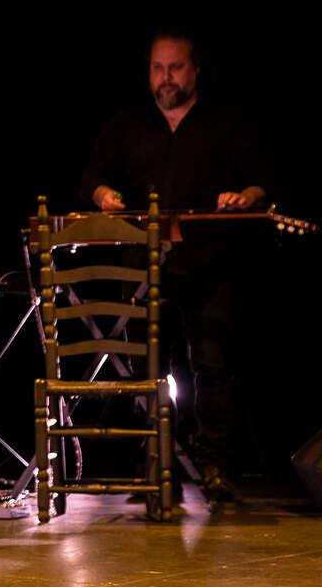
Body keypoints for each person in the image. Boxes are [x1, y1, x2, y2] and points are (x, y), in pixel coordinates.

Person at [79, 31, 276, 505]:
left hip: (208, 263)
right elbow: (92, 177)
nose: (166, 78)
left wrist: (242, 197)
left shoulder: (224, 122)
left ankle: (212, 467)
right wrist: (103, 195)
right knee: (145, 368)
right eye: (157, 68)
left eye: (176, 68)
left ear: (196, 69)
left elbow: (261, 180)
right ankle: (152, 462)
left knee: (211, 364)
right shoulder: (128, 122)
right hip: (143, 266)